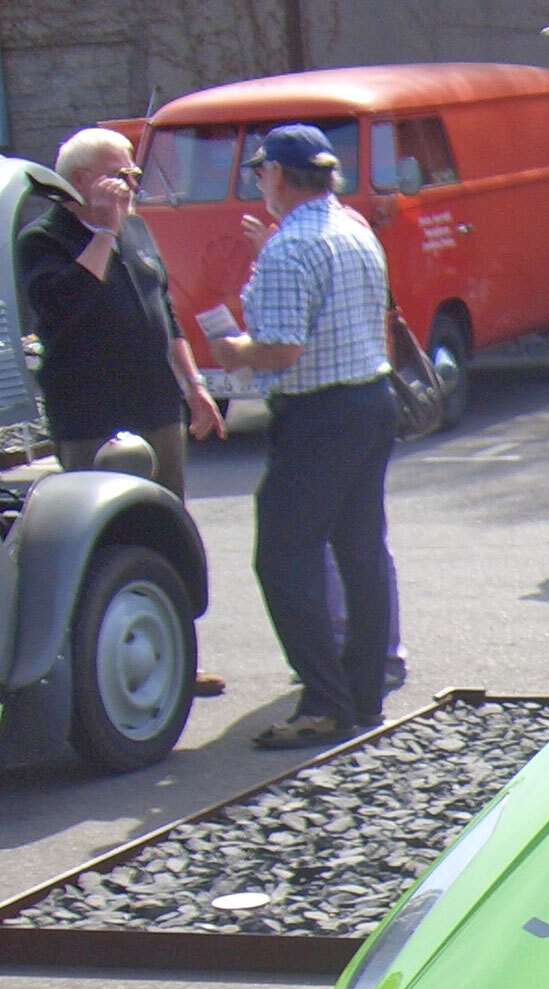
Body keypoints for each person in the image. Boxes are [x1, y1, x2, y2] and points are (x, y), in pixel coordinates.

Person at [205, 124, 399, 748]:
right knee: (360, 551)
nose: (258, 182)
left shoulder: (289, 247)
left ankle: (323, 703)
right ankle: (362, 693)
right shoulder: (353, 228)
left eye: (259, 171)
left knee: (284, 557)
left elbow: (282, 350)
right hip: (370, 399)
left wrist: (233, 350)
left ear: (277, 175)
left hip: (319, 413)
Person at [21, 128, 223, 498]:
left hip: (157, 407)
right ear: (80, 180)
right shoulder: (43, 238)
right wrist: (103, 232)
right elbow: (65, 304)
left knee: (165, 512)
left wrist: (195, 386)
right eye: (120, 175)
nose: (131, 186)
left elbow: (164, 311)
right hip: (92, 417)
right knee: (106, 515)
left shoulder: (135, 226)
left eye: (135, 175)